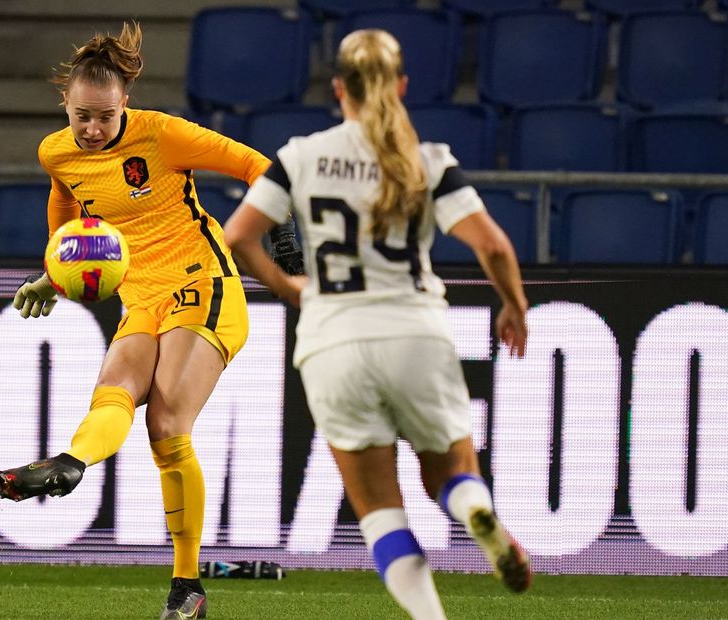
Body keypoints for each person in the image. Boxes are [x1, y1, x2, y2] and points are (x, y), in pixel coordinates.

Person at [0, 22, 296, 620]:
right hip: (142, 298)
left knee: (168, 421)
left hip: (203, 285)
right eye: (82, 117)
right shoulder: (56, 151)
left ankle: (188, 586)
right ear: (65, 107)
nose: (93, 130)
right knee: (116, 391)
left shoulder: (163, 136)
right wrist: (57, 269)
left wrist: (281, 229)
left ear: (125, 102)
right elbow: (65, 204)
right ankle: (71, 464)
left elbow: (260, 166)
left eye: (104, 116)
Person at [223, 29, 533, 619]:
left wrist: (292, 287)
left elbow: (239, 236)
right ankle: (473, 511)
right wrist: (513, 305)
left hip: (332, 339)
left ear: (339, 88)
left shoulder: (300, 156)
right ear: (402, 86)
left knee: (380, 511)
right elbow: (493, 245)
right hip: (415, 332)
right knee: (452, 471)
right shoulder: (426, 159)